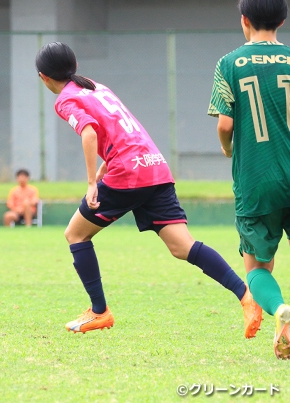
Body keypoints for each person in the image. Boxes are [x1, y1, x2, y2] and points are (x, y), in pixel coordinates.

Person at [35, 41, 261, 338]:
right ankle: (246, 296)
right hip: (154, 164)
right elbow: (117, 127)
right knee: (182, 246)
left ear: (44, 77)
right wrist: (106, 163)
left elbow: (90, 132)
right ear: (74, 67)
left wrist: (92, 182)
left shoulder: (65, 98)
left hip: (128, 172)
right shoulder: (95, 87)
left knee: (75, 234)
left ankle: (99, 312)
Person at [208, 0, 290, 359]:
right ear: (283, 20)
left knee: (258, 265)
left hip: (256, 179)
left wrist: (228, 150)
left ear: (244, 21)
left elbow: (225, 125)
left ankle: (281, 311)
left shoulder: (229, 64)